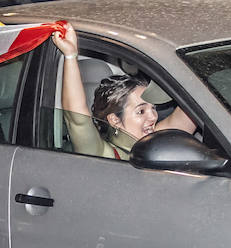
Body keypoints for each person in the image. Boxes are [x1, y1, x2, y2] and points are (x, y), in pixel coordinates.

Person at [52, 24, 194, 159]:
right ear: (114, 119)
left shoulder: (154, 140)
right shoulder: (101, 153)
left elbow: (196, 105)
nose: (153, 117)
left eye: (153, 108)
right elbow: (77, 119)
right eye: (141, 111)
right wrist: (70, 56)